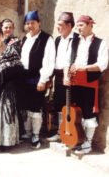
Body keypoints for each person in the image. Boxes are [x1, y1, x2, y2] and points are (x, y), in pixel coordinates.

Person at [63, 15, 108, 154]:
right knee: (76, 114)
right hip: (73, 82)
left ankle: (87, 143)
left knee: (89, 113)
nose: (78, 28)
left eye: (81, 25)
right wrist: (65, 76)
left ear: (90, 25)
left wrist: (84, 68)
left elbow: (102, 65)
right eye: (77, 25)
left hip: (89, 82)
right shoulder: (74, 42)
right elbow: (66, 61)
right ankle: (77, 140)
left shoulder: (101, 43)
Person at [20, 10, 55, 149]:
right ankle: (28, 133)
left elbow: (49, 61)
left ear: (39, 23)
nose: (30, 26)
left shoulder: (47, 39)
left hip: (37, 79)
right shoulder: (25, 38)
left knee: (35, 108)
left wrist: (43, 79)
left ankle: (35, 135)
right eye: (27, 23)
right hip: (25, 79)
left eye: (32, 23)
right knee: (26, 107)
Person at [47, 12, 78, 142]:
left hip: (72, 76)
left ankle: (71, 133)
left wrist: (69, 75)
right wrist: (50, 77)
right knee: (59, 104)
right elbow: (54, 59)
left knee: (70, 105)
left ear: (69, 25)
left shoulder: (77, 39)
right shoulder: (58, 39)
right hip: (58, 75)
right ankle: (61, 133)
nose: (57, 27)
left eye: (60, 25)